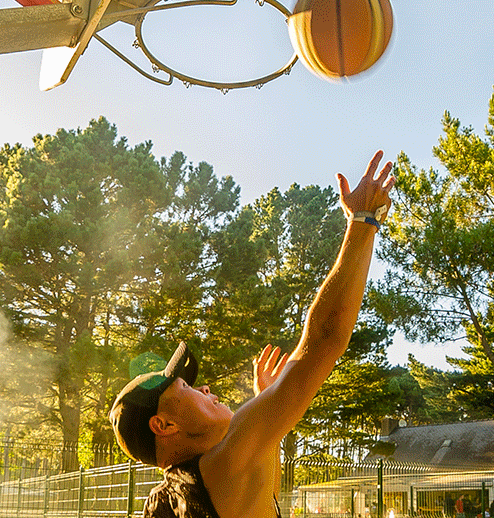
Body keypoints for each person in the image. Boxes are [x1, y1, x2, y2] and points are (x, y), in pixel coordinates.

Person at [109, 152, 395, 518]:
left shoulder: (171, 498)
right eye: (186, 389)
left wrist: (269, 399)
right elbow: (325, 339)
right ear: (164, 425)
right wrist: (363, 220)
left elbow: (263, 460)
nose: (205, 388)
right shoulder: (223, 463)